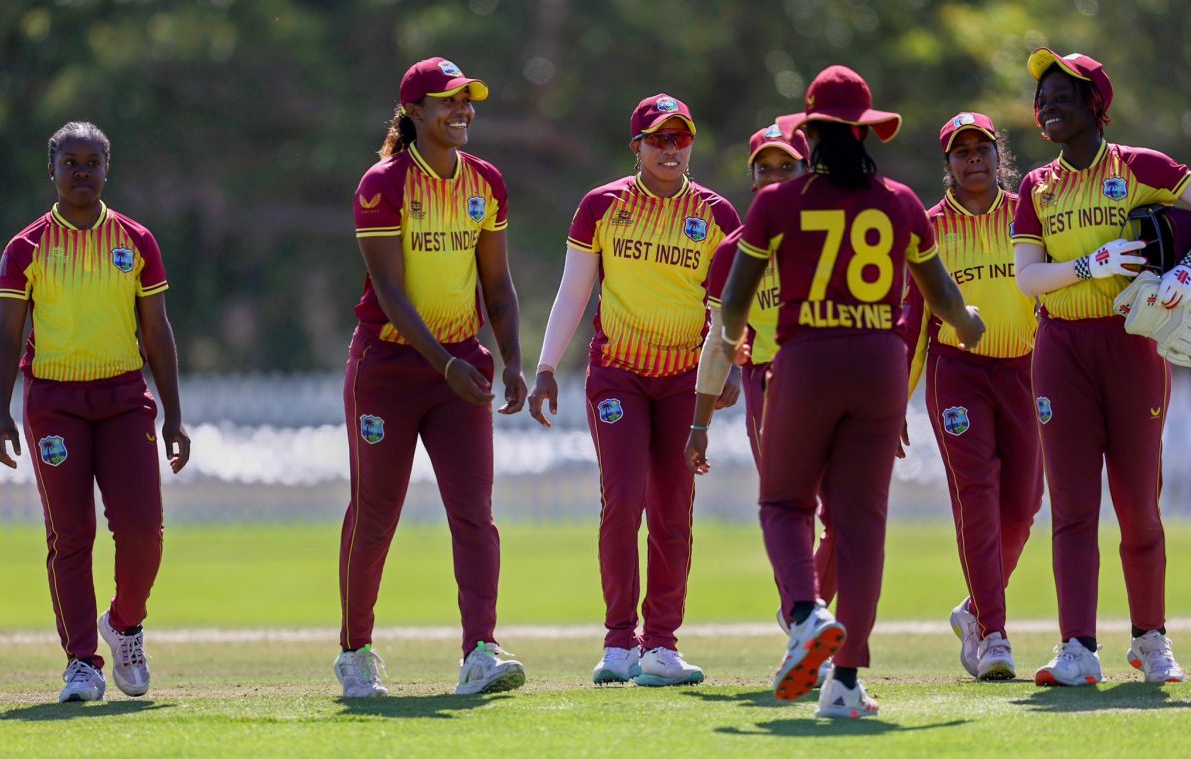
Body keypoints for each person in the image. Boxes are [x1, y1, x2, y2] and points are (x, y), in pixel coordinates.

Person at [689, 66, 984, 718]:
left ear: (813, 134)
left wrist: (734, 343)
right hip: (882, 361)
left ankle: (804, 611)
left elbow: (734, 301)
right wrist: (969, 325)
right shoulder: (904, 201)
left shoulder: (775, 204)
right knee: (861, 529)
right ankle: (846, 682)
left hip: (806, 359)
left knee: (784, 505)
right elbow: (943, 300)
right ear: (866, 131)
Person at [527, 93, 741, 686]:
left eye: (679, 138)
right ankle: (619, 642)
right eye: (657, 139)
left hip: (684, 380)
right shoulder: (602, 206)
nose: (670, 150)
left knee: (673, 507)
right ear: (637, 148)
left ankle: (661, 645)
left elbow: (733, 308)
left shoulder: (720, 216)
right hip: (617, 371)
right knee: (623, 499)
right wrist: (546, 366)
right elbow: (574, 292)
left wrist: (733, 368)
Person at [337, 57, 528, 697]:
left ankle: (481, 650)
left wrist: (512, 360)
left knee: (474, 514)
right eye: (447, 101)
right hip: (388, 368)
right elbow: (390, 291)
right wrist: (442, 363)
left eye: (466, 99)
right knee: (375, 515)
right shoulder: (382, 184)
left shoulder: (487, 183)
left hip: (460, 366)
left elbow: (497, 284)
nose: (462, 110)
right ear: (415, 112)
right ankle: (356, 652)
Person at [0, 121, 191, 703]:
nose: (82, 173)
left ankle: (125, 625)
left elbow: (156, 330)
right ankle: (82, 661)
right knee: (71, 534)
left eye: (93, 163)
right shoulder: (26, 248)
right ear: (50, 171)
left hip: (125, 400)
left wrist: (173, 415)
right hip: (54, 403)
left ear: (108, 169)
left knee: (141, 532)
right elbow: (7, 335)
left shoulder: (136, 241)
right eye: (70, 163)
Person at [1013, 48, 1191, 686]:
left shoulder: (1141, 167)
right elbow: (1028, 278)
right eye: (1043, 99)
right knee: (1073, 505)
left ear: (1096, 104)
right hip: (1061, 350)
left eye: (1063, 95)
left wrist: (1183, 267)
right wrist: (1091, 265)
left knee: (1139, 503)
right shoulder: (1037, 186)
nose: (1048, 107)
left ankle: (1150, 640)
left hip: (1131, 344)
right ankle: (1076, 649)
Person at [685, 125, 839, 681]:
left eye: (787, 167)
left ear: (807, 172)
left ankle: (806, 611)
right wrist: (700, 422)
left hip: (834, 378)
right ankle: (807, 620)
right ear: (751, 177)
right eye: (764, 168)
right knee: (791, 508)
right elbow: (718, 340)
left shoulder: (832, 232)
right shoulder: (733, 252)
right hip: (769, 388)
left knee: (844, 515)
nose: (775, 178)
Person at [901, 113, 1041, 681]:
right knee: (976, 494)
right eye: (961, 152)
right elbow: (913, 323)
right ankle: (995, 635)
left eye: (982, 148)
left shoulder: (1027, 214)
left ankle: (974, 610)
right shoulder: (929, 228)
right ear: (948, 164)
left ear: (997, 155)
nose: (973, 159)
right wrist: (895, 403)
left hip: (1026, 369)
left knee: (1024, 508)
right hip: (956, 369)